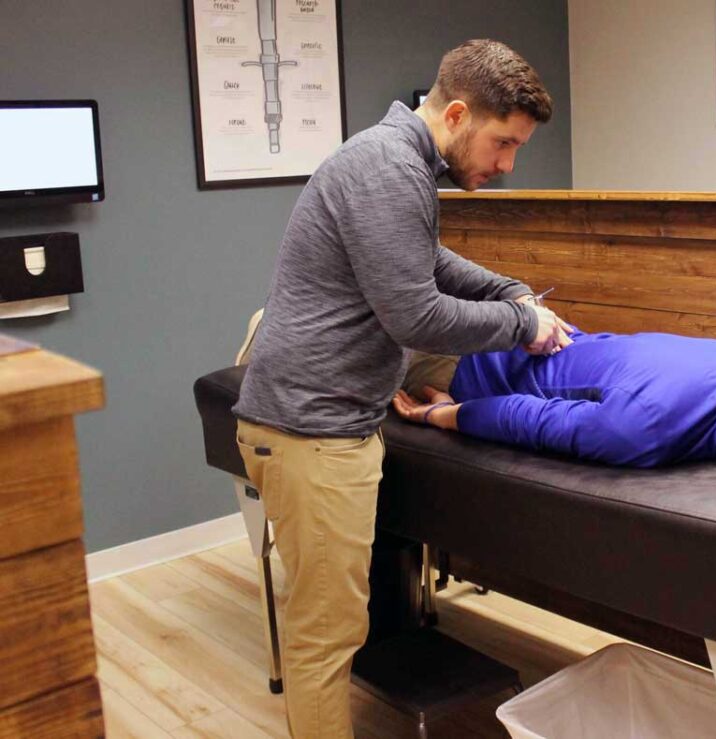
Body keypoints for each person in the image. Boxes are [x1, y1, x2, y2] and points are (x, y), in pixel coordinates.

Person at [233, 40, 571, 738]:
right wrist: (520, 321)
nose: (507, 165)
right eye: (503, 143)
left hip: (316, 413)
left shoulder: (392, 158)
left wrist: (507, 291)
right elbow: (416, 313)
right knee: (326, 634)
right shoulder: (390, 170)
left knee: (327, 621)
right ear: (455, 113)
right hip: (313, 431)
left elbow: (426, 261)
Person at [393, 328, 716, 473]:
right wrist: (443, 415)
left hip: (522, 336)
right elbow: (527, 417)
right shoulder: (643, 429)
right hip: (461, 365)